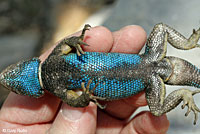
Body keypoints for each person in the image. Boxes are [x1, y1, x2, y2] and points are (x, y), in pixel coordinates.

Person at [0, 25, 169, 134]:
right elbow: (68, 43)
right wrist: (78, 41)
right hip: (126, 70)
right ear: (28, 63)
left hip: (124, 77)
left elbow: (78, 101)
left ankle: (182, 94)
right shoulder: (53, 58)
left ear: (34, 93)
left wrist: (85, 96)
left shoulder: (57, 90)